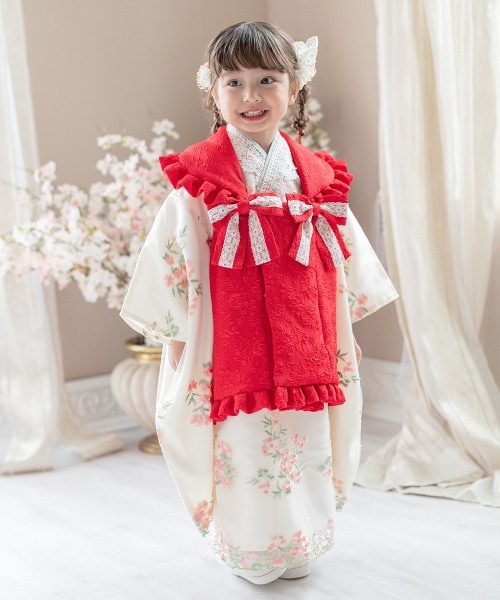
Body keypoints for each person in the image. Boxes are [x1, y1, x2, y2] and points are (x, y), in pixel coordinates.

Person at [120, 21, 397, 585]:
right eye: (234, 81)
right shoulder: (200, 183)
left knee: (305, 441)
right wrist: (177, 341)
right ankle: (252, 551)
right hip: (232, 347)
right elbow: (174, 258)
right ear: (214, 93)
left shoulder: (316, 179)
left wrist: (344, 337)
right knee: (245, 446)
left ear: (294, 88)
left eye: (267, 79)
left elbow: (339, 266)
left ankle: (301, 541)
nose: (251, 95)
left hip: (308, 343)